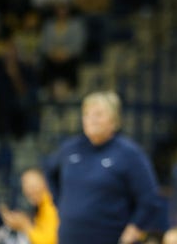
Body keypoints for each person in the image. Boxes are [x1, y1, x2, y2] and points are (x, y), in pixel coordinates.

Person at [45, 90, 164, 244]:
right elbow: (50, 172)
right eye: (87, 114)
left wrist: (135, 228)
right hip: (69, 237)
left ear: (114, 120)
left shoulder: (129, 153)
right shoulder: (70, 148)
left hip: (109, 237)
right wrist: (60, 204)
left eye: (98, 114)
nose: (91, 119)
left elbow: (150, 199)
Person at [0, 168, 58, 244]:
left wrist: (25, 225)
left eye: (32, 186)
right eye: (25, 186)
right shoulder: (41, 205)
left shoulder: (51, 205)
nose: (28, 190)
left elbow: (48, 241)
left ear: (46, 184)